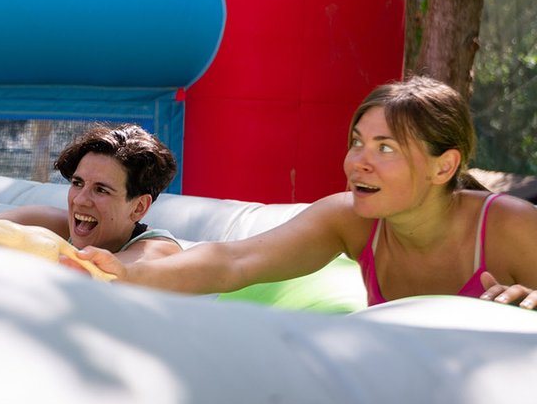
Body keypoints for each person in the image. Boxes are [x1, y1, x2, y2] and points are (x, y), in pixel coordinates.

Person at [68, 77, 537, 308]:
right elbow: (236, 261)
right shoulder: (351, 219)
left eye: (385, 148)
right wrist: (125, 276)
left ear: (444, 166)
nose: (358, 162)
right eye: (357, 142)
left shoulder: (510, 226)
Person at [0, 124, 182, 264]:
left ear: (139, 207)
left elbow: (96, 274)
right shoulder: (54, 224)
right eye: (78, 183)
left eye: (101, 190)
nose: (80, 200)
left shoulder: (157, 251)